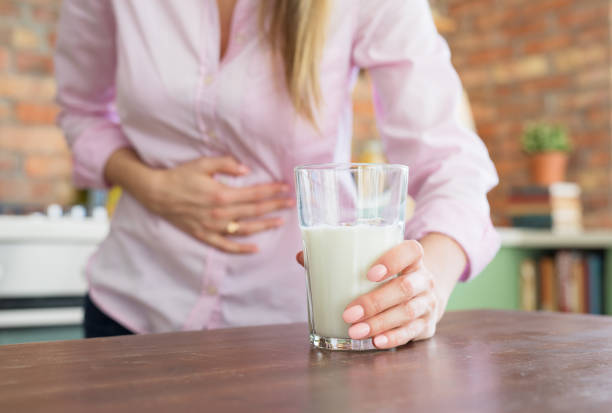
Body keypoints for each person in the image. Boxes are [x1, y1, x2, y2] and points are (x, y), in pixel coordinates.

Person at [55, 0, 500, 349]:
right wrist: (151, 186)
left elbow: (451, 163)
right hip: (133, 308)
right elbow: (82, 113)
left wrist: (427, 289)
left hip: (291, 331)